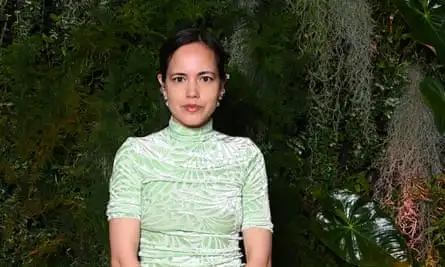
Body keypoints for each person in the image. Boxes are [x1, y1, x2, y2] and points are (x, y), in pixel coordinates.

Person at [106, 27, 273, 267]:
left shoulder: (245, 155)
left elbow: (261, 260)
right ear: (163, 84)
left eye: (205, 78)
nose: (192, 92)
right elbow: (122, 260)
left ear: (222, 86)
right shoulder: (135, 155)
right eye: (179, 79)